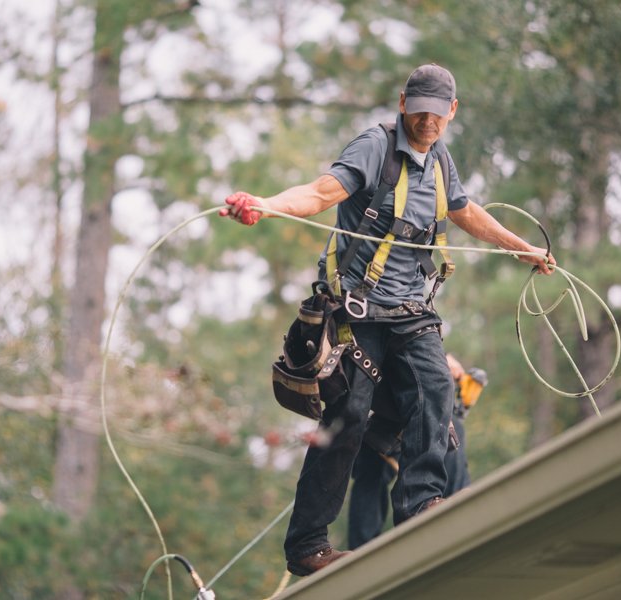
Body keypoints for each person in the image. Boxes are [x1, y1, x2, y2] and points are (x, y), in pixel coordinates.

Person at [220, 63, 555, 577]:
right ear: (402, 104)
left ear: (452, 112)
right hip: (358, 309)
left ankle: (421, 508)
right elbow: (320, 193)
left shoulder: (440, 161)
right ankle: (307, 546)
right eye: (419, 111)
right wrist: (265, 205)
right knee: (349, 416)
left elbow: (465, 212)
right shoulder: (373, 148)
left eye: (437, 113)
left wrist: (522, 248)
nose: (427, 121)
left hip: (410, 311)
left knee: (436, 388)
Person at [347, 353, 485, 549]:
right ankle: (363, 548)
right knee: (373, 466)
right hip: (378, 393)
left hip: (394, 398)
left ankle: (460, 512)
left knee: (449, 431)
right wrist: (442, 358)